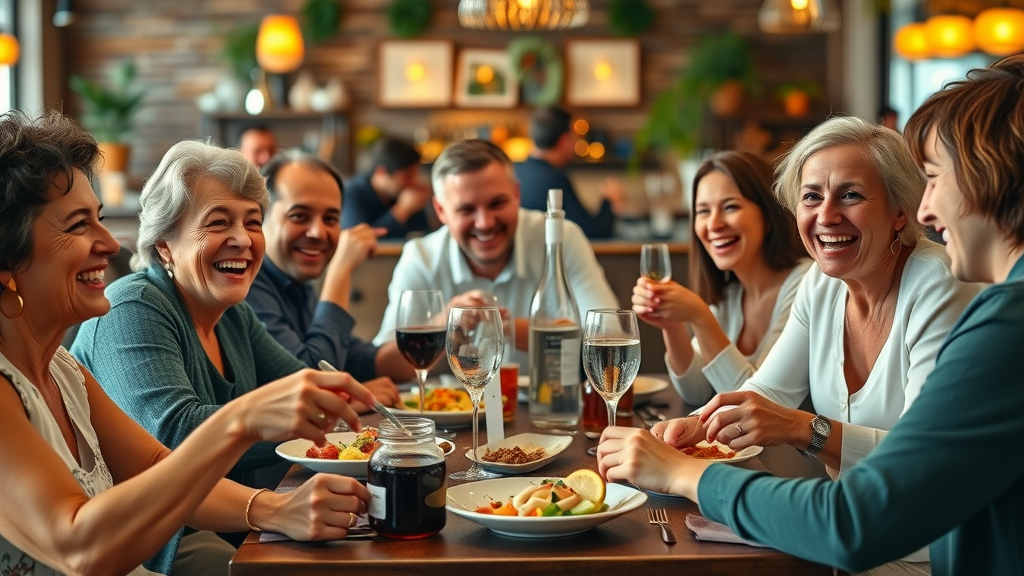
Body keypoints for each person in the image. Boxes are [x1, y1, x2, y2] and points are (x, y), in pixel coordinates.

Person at [597, 58, 1024, 574]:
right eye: (811, 198)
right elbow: (767, 395)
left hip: (906, 552)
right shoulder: (821, 283)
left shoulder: (970, 301)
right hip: (860, 544)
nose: (825, 216)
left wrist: (689, 473)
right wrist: (695, 428)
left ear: (900, 210)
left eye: (851, 196)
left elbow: (885, 498)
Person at [0, 111, 376, 576]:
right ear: (8, 259)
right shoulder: (128, 308)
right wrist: (244, 420)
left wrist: (274, 509)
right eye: (79, 225)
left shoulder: (62, 370)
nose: (110, 243)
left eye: (98, 218)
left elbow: (158, 466)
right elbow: (79, 546)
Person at [373, 139, 619, 366]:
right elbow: (382, 362)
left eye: (497, 203)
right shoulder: (420, 257)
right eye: (466, 209)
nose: (485, 223)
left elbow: (610, 337)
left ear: (516, 194)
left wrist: (503, 328)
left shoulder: (560, 238)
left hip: (543, 409)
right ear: (440, 210)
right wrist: (444, 325)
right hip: (447, 411)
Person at [632, 151, 811, 406]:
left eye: (730, 207)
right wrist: (671, 324)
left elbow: (759, 405)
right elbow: (696, 391)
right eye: (703, 211)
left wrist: (700, 316)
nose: (713, 224)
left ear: (769, 216)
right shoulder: (730, 294)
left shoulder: (806, 283)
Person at [246, 150, 413, 387]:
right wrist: (340, 270)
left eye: (331, 218)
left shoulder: (296, 282)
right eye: (300, 216)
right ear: (260, 217)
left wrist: (442, 329)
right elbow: (311, 378)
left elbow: (355, 358)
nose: (318, 232)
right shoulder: (246, 283)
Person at [516, 106, 625, 238]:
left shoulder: (515, 170)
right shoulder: (555, 180)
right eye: (575, 137)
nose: (575, 143)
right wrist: (609, 200)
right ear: (564, 140)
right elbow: (590, 232)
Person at [341, 136, 433, 238]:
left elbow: (422, 235)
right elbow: (359, 240)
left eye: (416, 174)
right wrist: (403, 210)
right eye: (408, 176)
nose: (414, 181)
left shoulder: (407, 193)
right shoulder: (352, 193)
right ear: (381, 172)